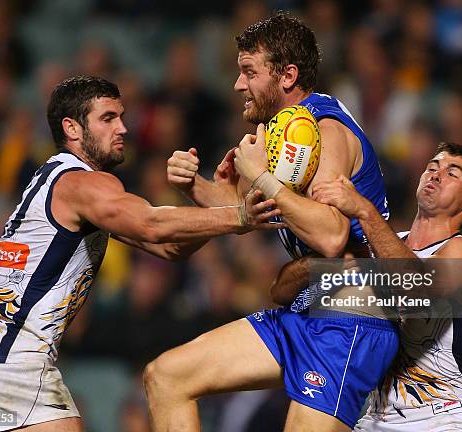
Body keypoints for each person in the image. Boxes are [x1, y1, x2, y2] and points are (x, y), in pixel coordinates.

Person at [0, 75, 281, 432]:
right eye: (108, 118)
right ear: (72, 128)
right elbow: (152, 224)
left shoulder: (55, 182)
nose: (123, 127)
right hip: (14, 367)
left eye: (122, 117)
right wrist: (240, 214)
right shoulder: (83, 183)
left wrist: (214, 202)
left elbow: (168, 248)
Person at [146, 13, 398, 432]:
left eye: (249, 72)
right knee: (167, 376)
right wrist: (198, 189)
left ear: (287, 76)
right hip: (306, 309)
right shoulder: (284, 135)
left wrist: (261, 177)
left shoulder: (325, 128)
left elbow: (333, 235)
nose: (238, 85)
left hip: (352, 316)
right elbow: (255, 214)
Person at [272, 142, 462, 431]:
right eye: (432, 168)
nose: (436, 175)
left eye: (452, 173)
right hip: (376, 417)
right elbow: (280, 292)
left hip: (442, 416)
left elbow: (416, 290)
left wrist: (364, 210)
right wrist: (321, 263)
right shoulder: (377, 245)